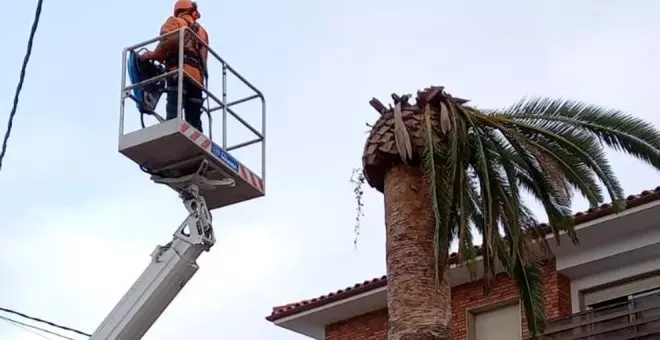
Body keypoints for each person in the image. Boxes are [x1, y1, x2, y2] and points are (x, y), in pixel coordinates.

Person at [140, 0, 209, 132]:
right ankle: (196, 133)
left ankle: (171, 128)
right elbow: (204, 59)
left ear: (178, 11)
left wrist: (153, 55)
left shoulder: (175, 22)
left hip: (178, 72)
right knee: (194, 116)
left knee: (174, 109)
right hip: (197, 80)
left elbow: (166, 41)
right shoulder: (202, 32)